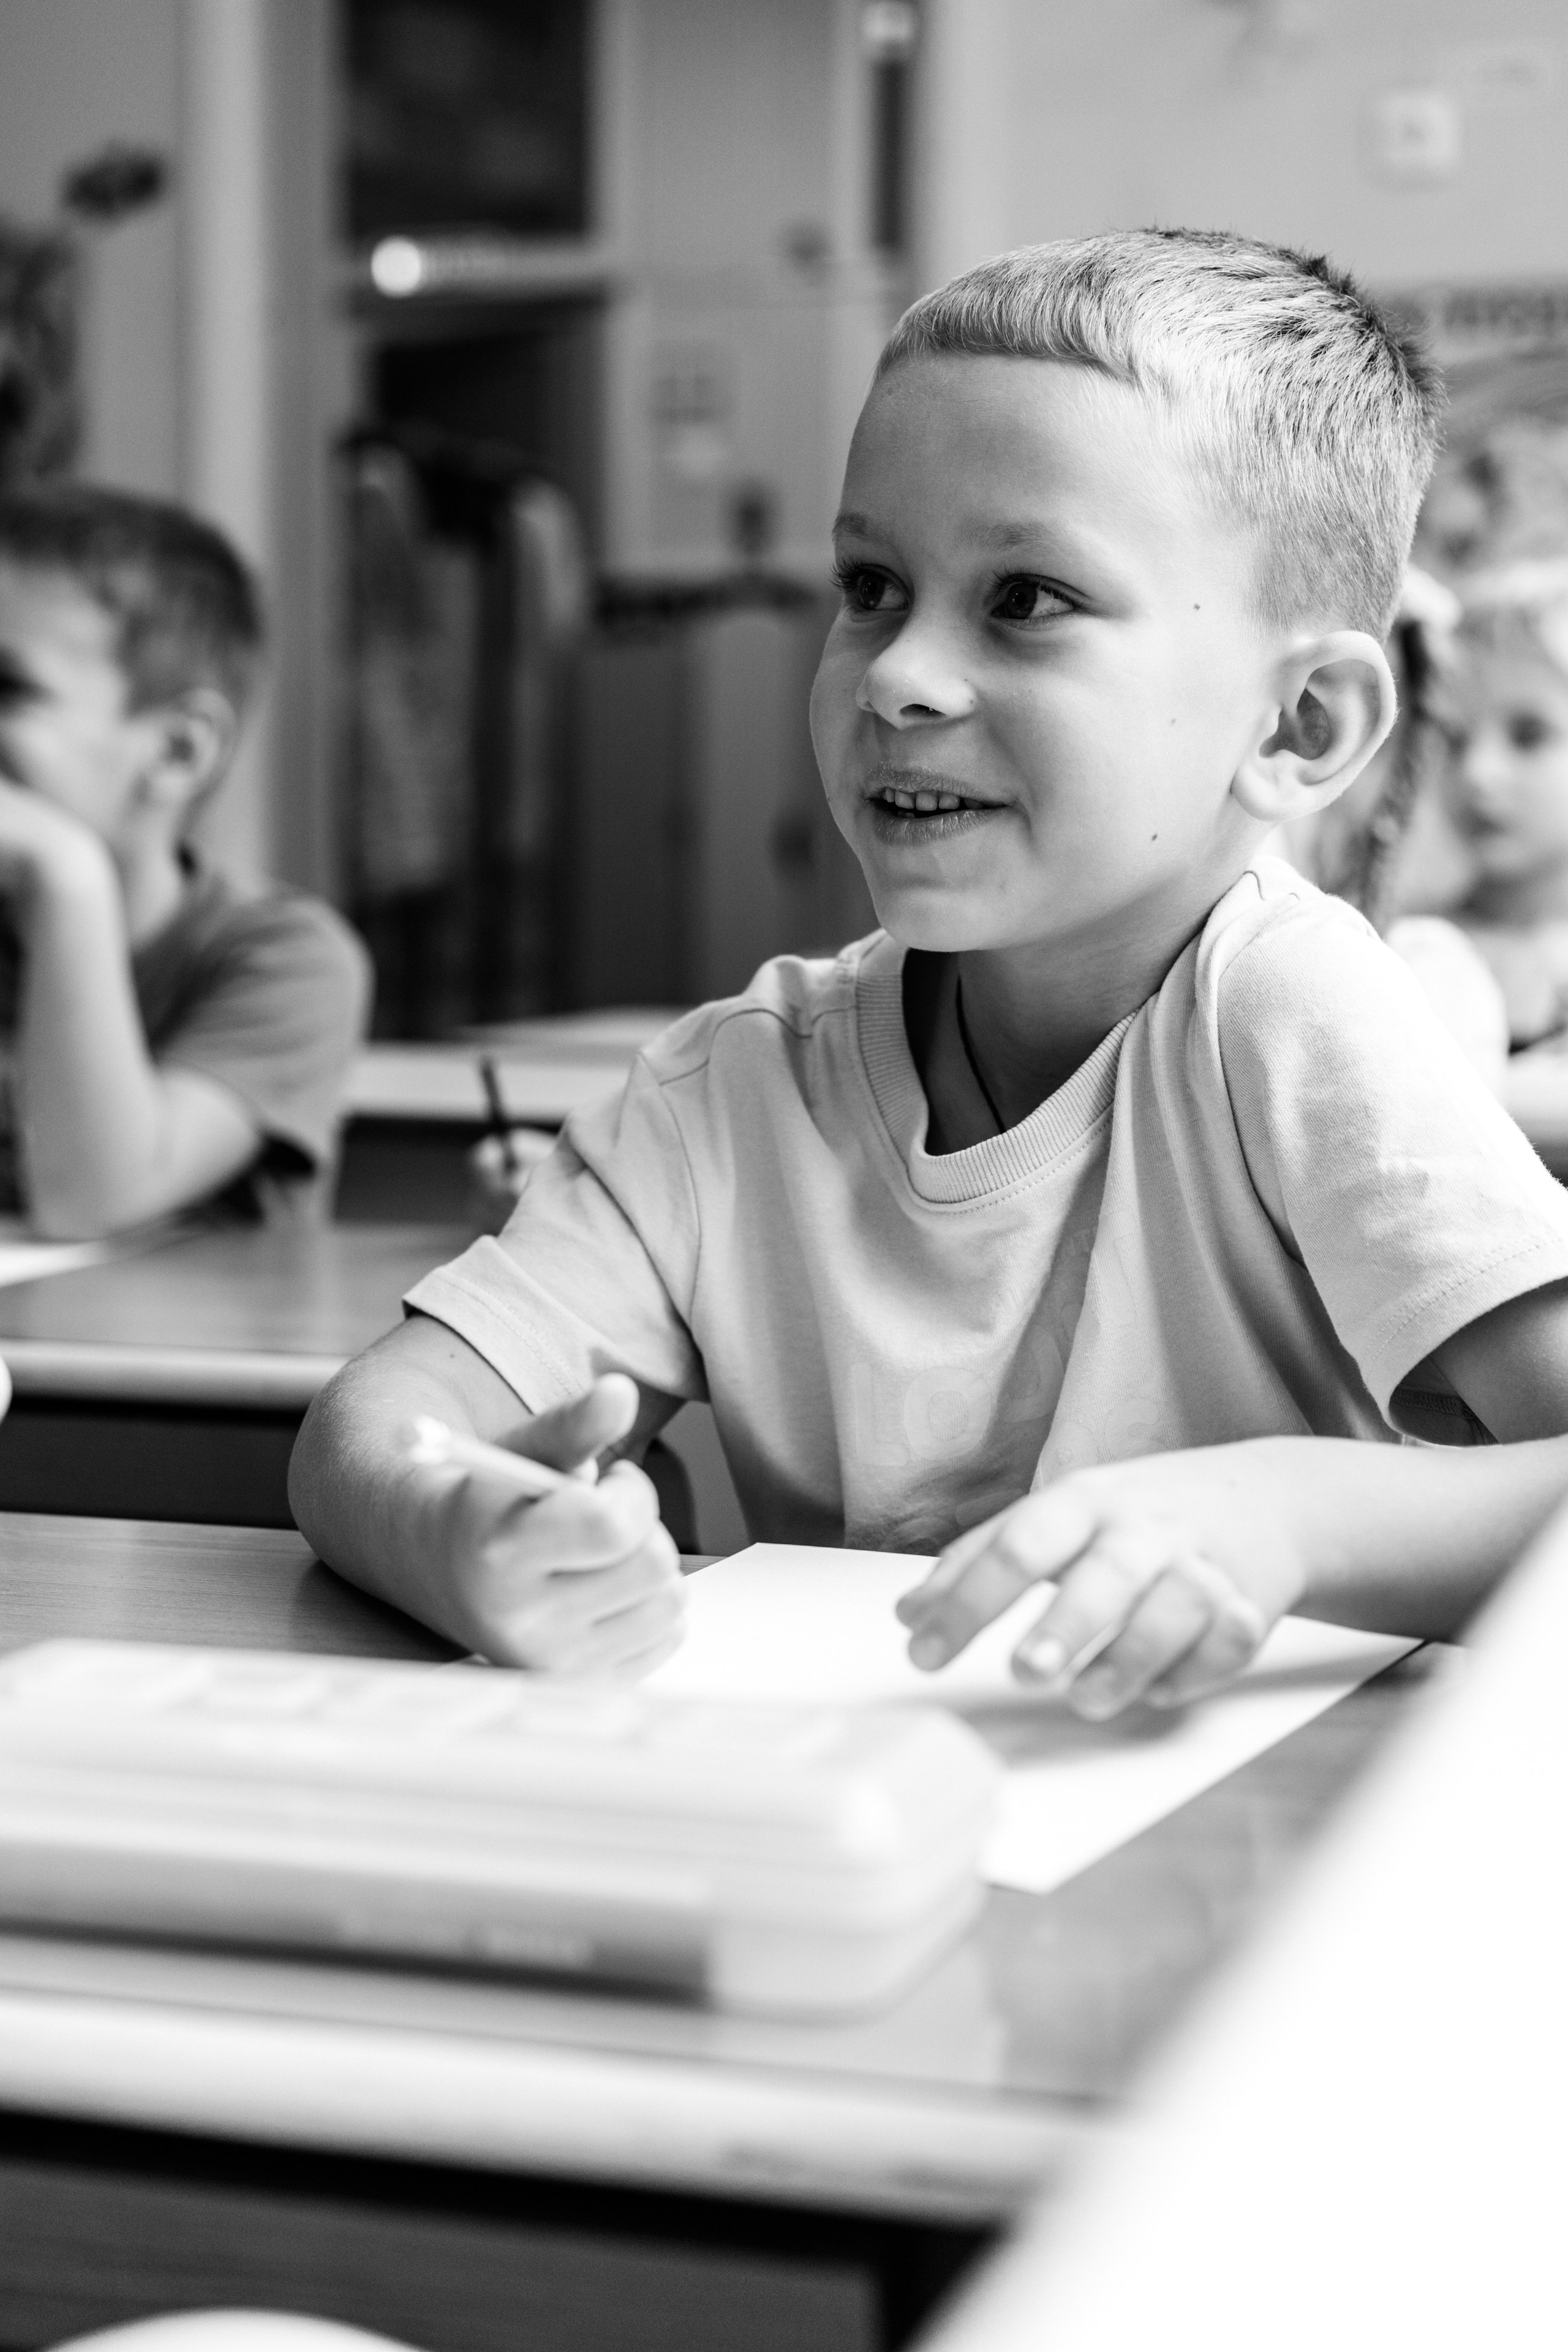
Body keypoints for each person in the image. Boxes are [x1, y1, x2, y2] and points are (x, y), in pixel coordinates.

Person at [291, 230, 1568, 1717]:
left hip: (1256, 1865)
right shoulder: (736, 1084)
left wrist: (1277, 1517)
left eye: (1024, 596)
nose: (896, 672)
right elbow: (370, 1428)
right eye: (870, 584)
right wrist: (459, 1525)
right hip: (865, 1837)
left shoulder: (1287, 1007)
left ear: (1296, 726)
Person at [0, 484, 371, 1235]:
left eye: (8, 688)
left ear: (177, 750)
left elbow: (93, 1199)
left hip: (150, 1351)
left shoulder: (285, 959)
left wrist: (67, 877)